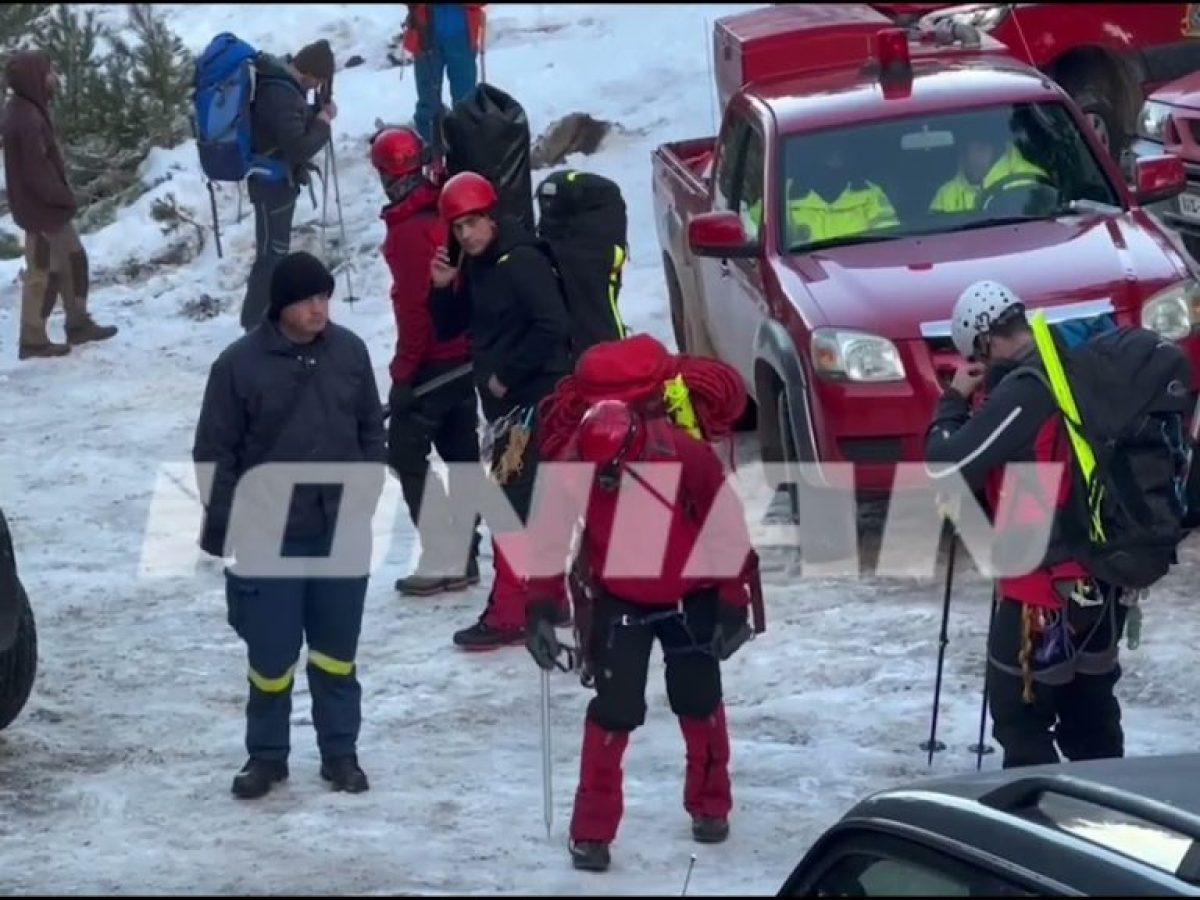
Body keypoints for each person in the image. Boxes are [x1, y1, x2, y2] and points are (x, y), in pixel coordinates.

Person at [523, 354, 762, 871]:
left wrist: (731, 600)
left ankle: (710, 806)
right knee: (616, 710)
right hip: (619, 599)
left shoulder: (688, 456)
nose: (604, 478)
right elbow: (548, 534)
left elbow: (727, 528)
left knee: (698, 701)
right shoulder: (575, 462)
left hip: (692, 596)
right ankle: (591, 833)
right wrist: (540, 604)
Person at [193, 251, 387, 799]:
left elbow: (372, 427)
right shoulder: (237, 366)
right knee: (272, 654)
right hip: (267, 533)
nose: (320, 307)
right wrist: (228, 523)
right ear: (282, 307)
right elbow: (214, 451)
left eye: (325, 296)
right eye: (307, 299)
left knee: (335, 652)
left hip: (340, 528)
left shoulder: (350, 353)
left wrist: (367, 488)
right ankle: (266, 757)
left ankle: (340, 754)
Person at [924, 279, 1128, 769]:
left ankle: (1040, 833)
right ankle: (1110, 824)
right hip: (1100, 582)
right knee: (1091, 719)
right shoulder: (1072, 365)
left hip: (1041, 592)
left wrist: (953, 402)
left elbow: (944, 465)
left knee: (1020, 721)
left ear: (986, 342)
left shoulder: (1025, 391)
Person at [428, 170, 574, 650]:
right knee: (536, 501)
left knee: (508, 504)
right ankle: (549, 597)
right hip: (509, 406)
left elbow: (552, 325)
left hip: (532, 401)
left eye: (473, 222)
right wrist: (442, 287)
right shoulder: (480, 263)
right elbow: (452, 328)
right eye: (458, 226)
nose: (466, 233)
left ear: (491, 216)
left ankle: (511, 611)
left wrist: (505, 375)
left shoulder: (520, 261)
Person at [369, 126, 483, 595]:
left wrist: (403, 372)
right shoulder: (442, 209)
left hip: (434, 361)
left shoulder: (408, 232)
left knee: (405, 450)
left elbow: (415, 310)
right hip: (466, 353)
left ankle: (445, 555)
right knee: (461, 452)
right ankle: (467, 554)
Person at [2, 49, 118, 360]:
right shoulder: (25, 117)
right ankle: (34, 339)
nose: (54, 78)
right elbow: (36, 170)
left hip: (42, 208)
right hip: (41, 210)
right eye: (48, 73)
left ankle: (76, 324)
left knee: (70, 262)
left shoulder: (26, 109)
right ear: (33, 78)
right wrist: (62, 197)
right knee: (45, 272)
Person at [239, 40, 338, 332]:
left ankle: (258, 318)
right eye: (317, 81)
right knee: (271, 254)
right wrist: (322, 121)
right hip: (272, 184)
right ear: (308, 73)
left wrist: (313, 113)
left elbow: (287, 127)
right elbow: (298, 146)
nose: (316, 87)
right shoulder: (280, 93)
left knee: (272, 252)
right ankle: (255, 323)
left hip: (273, 180)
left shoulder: (280, 85)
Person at [402, 4, 487, 153]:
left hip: (462, 36)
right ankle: (428, 148)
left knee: (465, 100)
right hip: (425, 33)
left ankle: (466, 149)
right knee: (428, 101)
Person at [787, 143, 898, 247]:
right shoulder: (785, 195)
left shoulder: (868, 193)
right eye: (824, 155)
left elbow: (888, 242)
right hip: (804, 265)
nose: (831, 161)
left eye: (835, 155)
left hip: (859, 264)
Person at [930, 128, 1048, 213]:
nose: (973, 158)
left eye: (981, 149)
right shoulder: (945, 194)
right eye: (967, 151)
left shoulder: (1030, 179)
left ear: (996, 151)